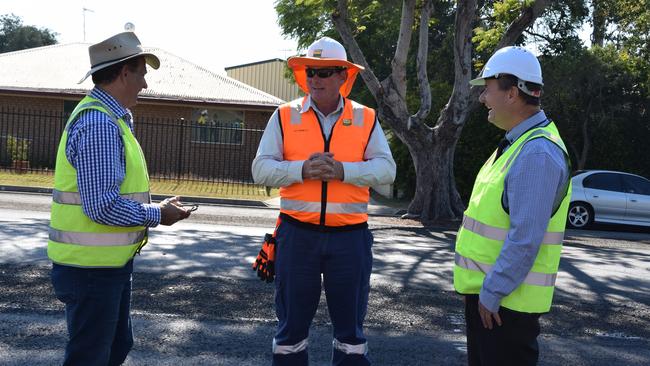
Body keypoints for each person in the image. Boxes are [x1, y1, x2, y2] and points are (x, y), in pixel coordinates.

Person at [48, 31, 192, 365]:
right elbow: (102, 206)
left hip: (102, 266)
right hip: (92, 271)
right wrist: (158, 213)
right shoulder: (100, 123)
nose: (144, 84)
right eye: (141, 73)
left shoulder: (108, 117)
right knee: (92, 356)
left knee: (113, 347)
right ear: (125, 72)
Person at [252, 37, 396, 366]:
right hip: (297, 236)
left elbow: (387, 169)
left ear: (343, 76)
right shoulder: (284, 115)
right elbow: (260, 168)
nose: (315, 79)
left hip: (350, 239)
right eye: (311, 72)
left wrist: (344, 171)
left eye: (325, 72)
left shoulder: (366, 117)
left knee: (350, 335)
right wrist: (300, 170)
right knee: (290, 332)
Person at [453, 46, 572, 366]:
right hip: (494, 302)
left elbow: (525, 238)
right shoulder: (518, 144)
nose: (482, 99)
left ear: (512, 92)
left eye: (487, 89)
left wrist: (491, 291)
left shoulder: (536, 153)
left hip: (505, 308)